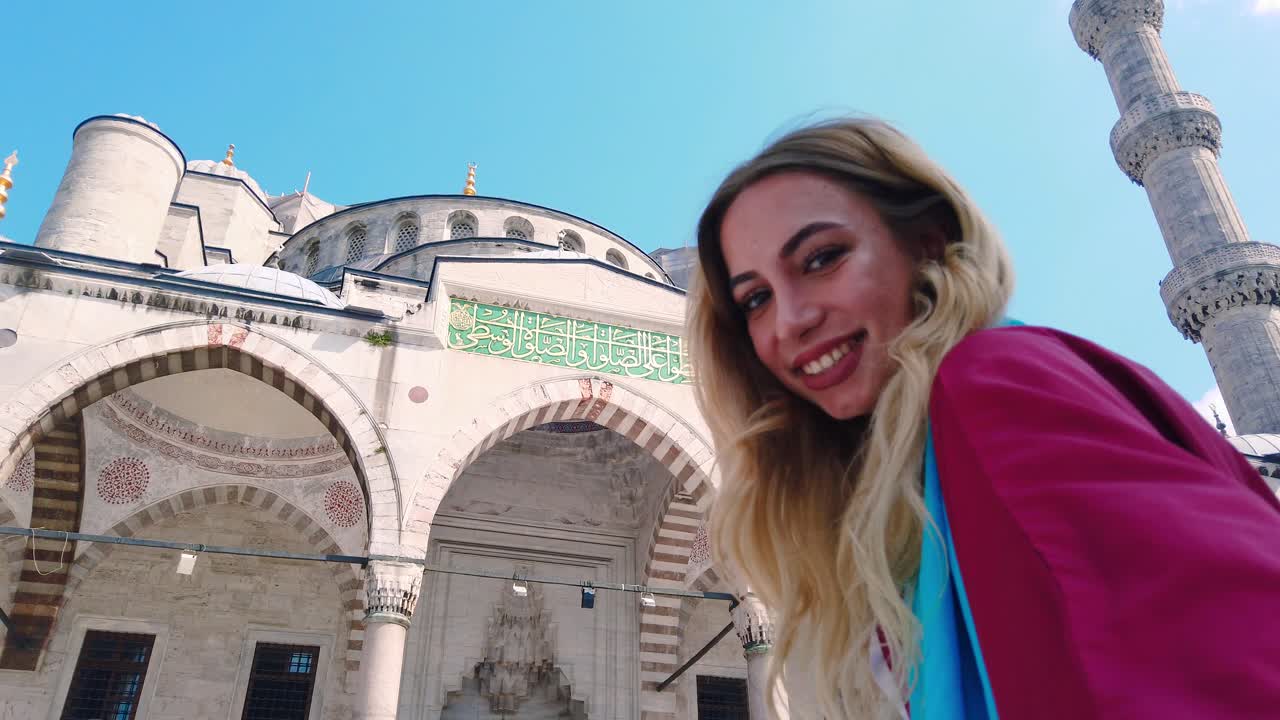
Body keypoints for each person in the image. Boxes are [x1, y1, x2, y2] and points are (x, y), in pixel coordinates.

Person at [686, 117, 1280, 719]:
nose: (791, 319)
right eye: (756, 298)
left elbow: (1238, 637)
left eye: (821, 258)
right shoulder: (911, 480)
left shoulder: (995, 381)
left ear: (927, 241)